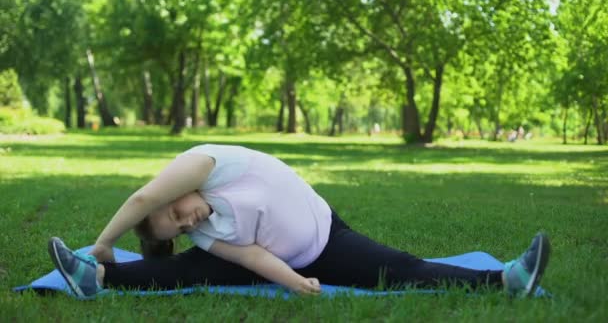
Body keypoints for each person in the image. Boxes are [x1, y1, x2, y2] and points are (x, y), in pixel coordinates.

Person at [47, 144, 550, 299]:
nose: (187, 221)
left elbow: (141, 196)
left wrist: (105, 240)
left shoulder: (203, 164)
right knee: (186, 269)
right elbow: (248, 255)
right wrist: (295, 283)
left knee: (402, 268)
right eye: (180, 230)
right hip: (283, 261)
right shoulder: (202, 231)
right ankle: (97, 277)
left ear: (173, 192)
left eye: (177, 213)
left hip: (328, 239)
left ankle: (506, 278)